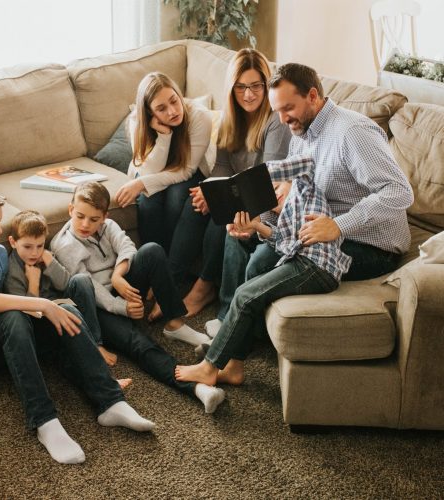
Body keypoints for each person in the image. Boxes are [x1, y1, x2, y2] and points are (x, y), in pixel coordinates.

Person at [0, 186, 154, 466]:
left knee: (66, 308)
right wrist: (42, 306)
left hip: (7, 336)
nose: (0, 230)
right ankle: (45, 421)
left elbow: (24, 290)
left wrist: (50, 306)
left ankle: (110, 401)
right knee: (15, 314)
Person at [206, 61, 414, 338]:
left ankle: (236, 342)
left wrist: (339, 225)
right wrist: (258, 220)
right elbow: (298, 197)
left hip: (371, 246)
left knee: (262, 262)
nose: (282, 119)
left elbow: (400, 191)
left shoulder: (351, 132)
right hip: (318, 227)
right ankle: (233, 331)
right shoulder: (301, 136)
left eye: (288, 108)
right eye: (277, 111)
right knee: (245, 241)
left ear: (313, 96)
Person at [51, 182, 226, 414]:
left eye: (94, 219)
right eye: (80, 216)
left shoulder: (109, 225)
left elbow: (128, 248)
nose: (85, 224)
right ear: (70, 209)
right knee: (138, 343)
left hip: (121, 287)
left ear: (104, 216)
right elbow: (90, 288)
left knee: (152, 250)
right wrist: (122, 307)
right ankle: (197, 388)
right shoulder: (64, 245)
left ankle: (175, 323)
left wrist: (117, 276)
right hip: (99, 307)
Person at [175, 154, 351, 385]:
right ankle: (234, 367)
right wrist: (257, 225)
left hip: (317, 265)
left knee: (244, 296)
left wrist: (247, 181)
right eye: (273, 196)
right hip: (304, 262)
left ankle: (209, 367)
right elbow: (287, 244)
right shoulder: (285, 215)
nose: (276, 194)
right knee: (247, 293)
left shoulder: (305, 184)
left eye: (277, 186)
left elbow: (298, 164)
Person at [181, 49, 290, 332]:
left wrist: (227, 199)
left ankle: (215, 298)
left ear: (267, 86)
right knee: (194, 202)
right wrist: (210, 191)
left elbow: (270, 182)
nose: (249, 94)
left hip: (264, 205)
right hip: (240, 197)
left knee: (229, 224)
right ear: (232, 89)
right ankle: (182, 282)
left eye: (256, 86)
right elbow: (221, 169)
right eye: (241, 87)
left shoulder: (275, 123)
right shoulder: (231, 121)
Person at [3, 209, 120, 369]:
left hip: (60, 304)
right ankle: (86, 352)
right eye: (28, 247)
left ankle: (96, 343)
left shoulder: (45, 256)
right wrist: (34, 283)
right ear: (13, 242)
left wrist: (51, 263)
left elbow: (66, 284)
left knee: (82, 280)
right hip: (42, 320)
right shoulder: (12, 271)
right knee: (64, 308)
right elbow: (30, 315)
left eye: (40, 246)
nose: (35, 253)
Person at [115, 71, 212, 254]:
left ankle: (170, 262)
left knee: (176, 197)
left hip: (189, 170)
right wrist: (164, 136)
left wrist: (140, 184)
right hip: (151, 171)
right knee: (148, 201)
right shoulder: (137, 120)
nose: (173, 111)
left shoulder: (199, 116)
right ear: (149, 112)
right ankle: (154, 261)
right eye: (161, 108)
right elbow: (148, 171)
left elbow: (186, 170)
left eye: (174, 100)